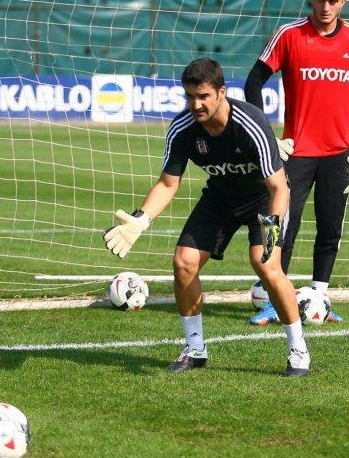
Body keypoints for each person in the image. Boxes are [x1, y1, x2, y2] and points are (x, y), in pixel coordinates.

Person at [104, 58, 310, 377]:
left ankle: (298, 349)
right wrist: (141, 219)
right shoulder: (183, 128)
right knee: (183, 262)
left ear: (221, 93)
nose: (196, 104)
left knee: (267, 266)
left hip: (263, 198)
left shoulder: (250, 123)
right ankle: (195, 348)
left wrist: (271, 230)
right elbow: (168, 183)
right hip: (220, 197)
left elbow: (279, 187)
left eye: (203, 96)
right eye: (190, 96)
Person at [245, 0, 349, 325]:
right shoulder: (289, 35)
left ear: (343, 1)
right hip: (297, 154)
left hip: (340, 153)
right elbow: (254, 82)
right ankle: (275, 300)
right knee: (282, 227)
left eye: (333, 1)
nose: (326, 7)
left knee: (330, 228)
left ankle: (320, 297)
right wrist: (267, 136)